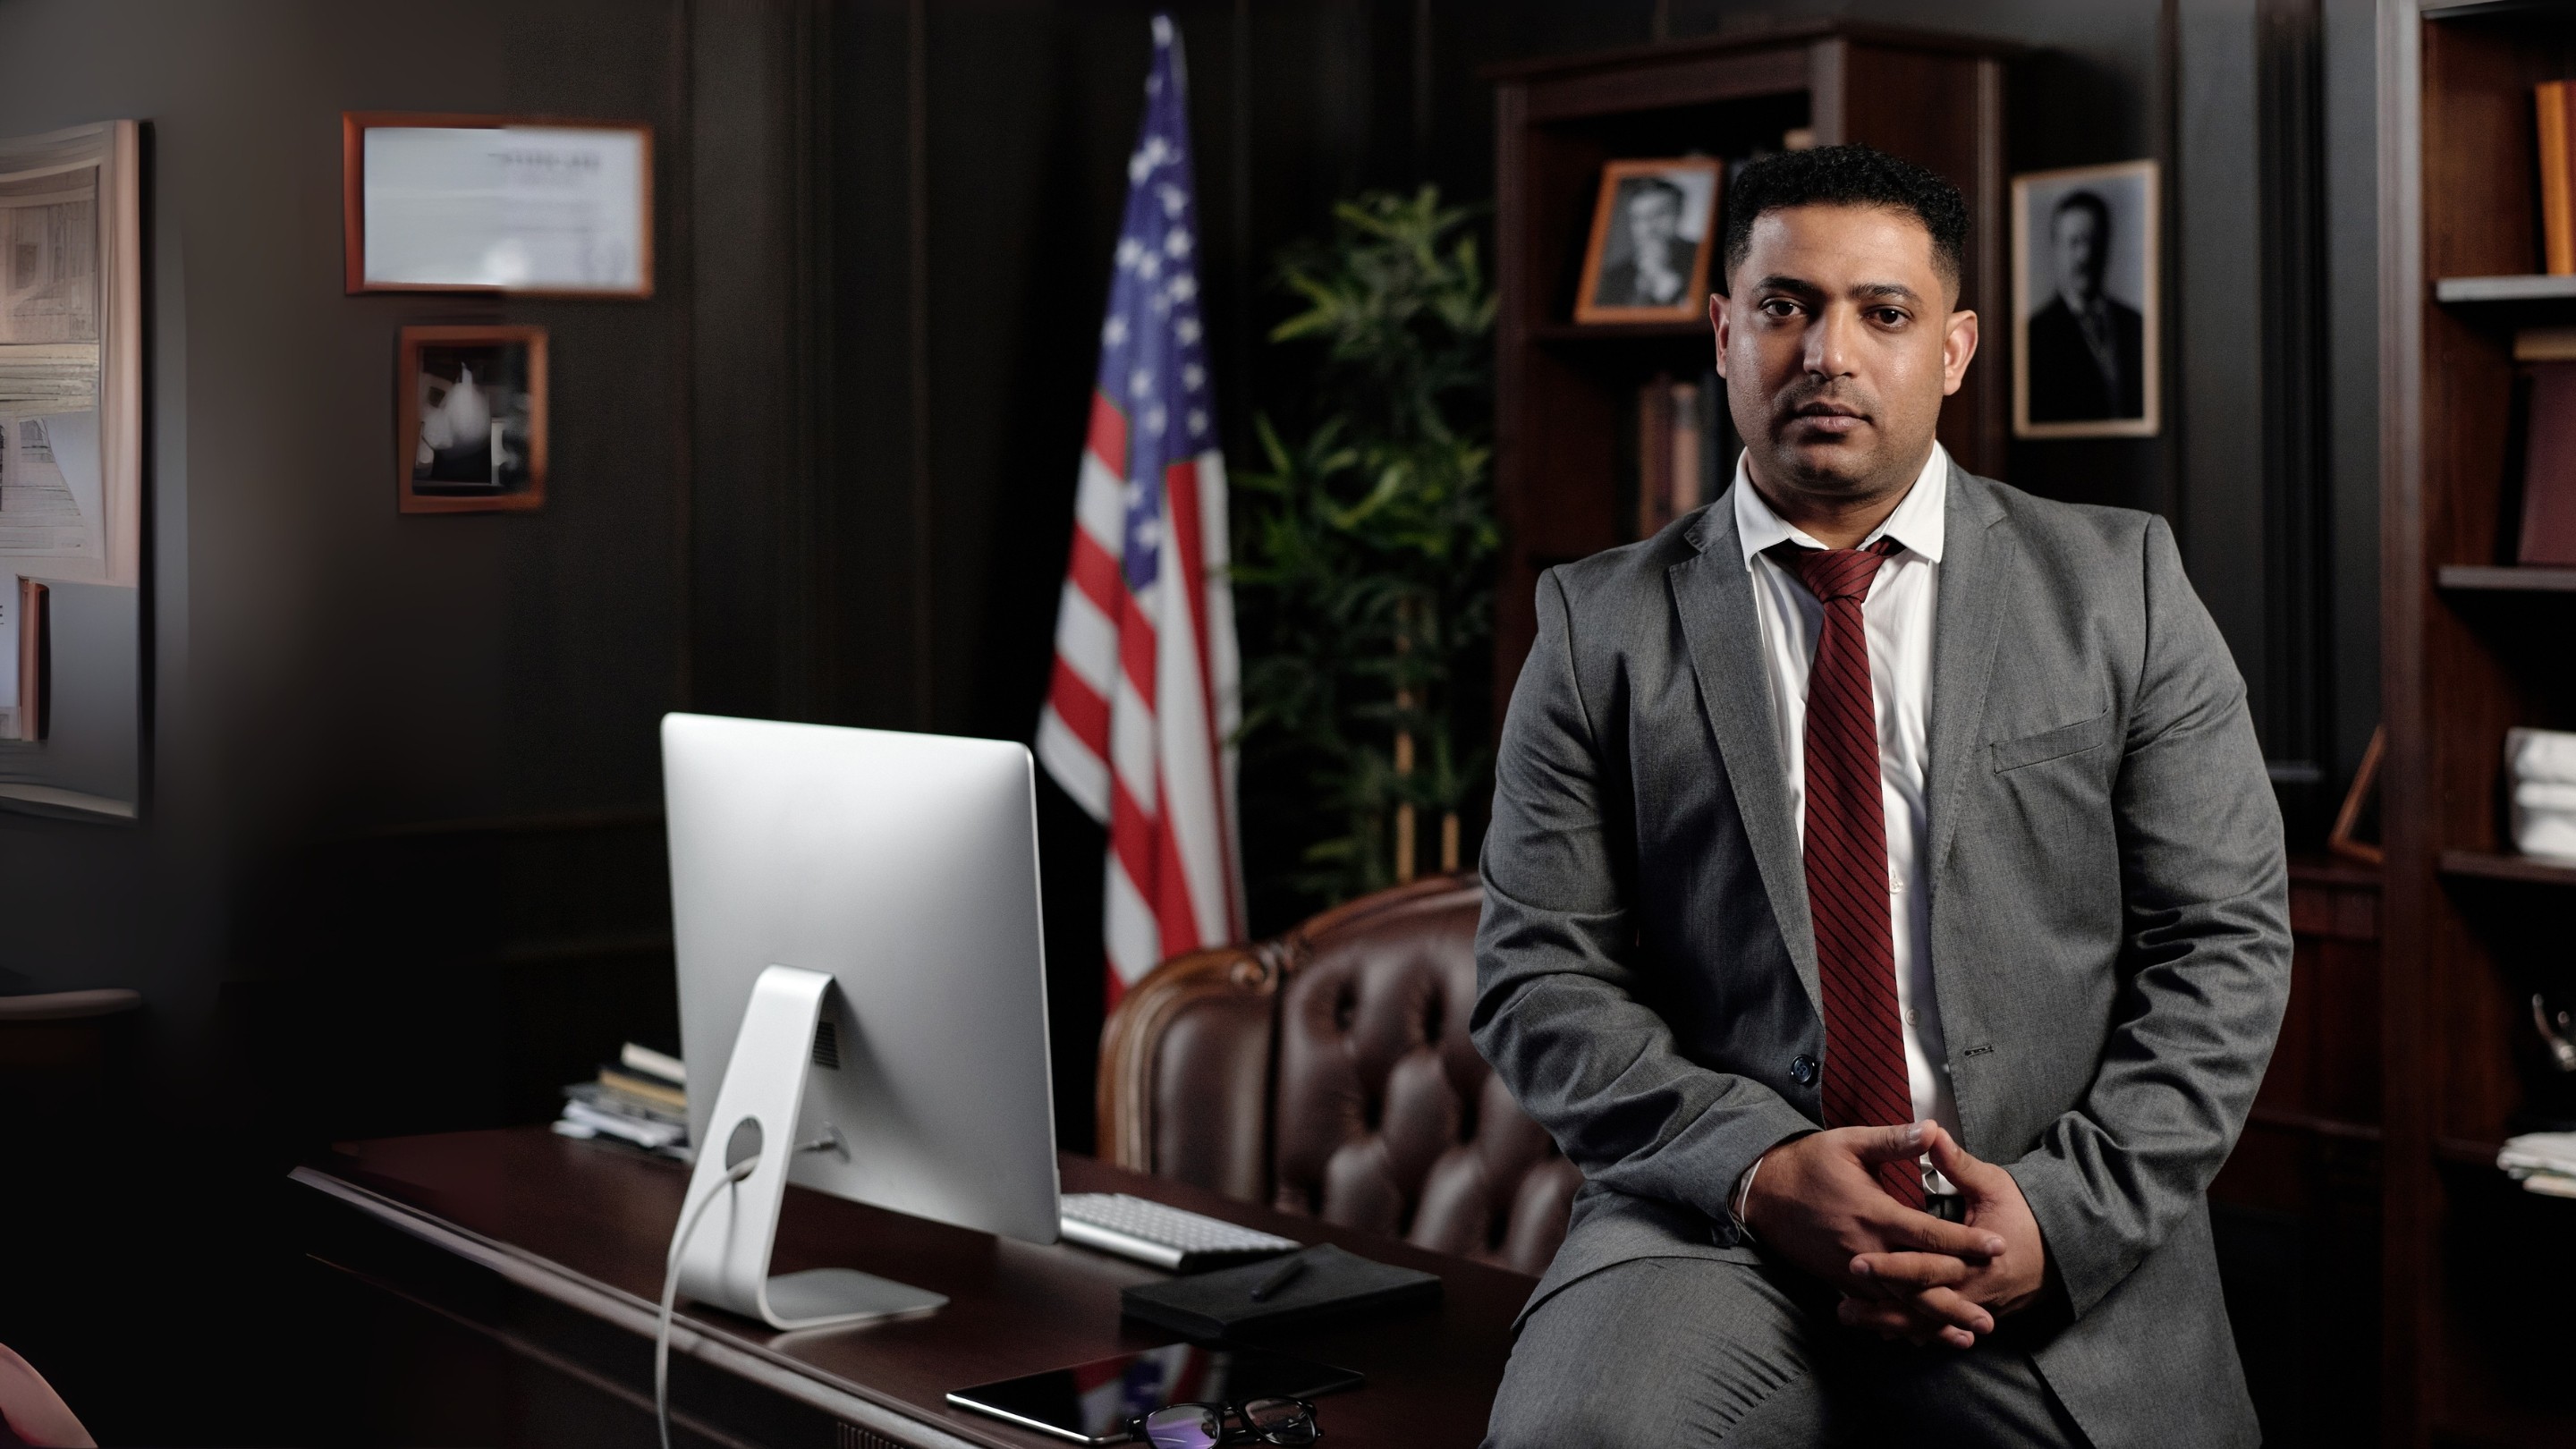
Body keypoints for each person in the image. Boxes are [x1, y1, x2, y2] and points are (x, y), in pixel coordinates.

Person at [1474, 143, 2285, 1447]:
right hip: (1714, 1226)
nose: (1827, 353)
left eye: (1883, 312)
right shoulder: (1597, 627)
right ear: (1725, 333)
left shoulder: (2122, 588)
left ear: (1955, 348)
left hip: (2034, 1221)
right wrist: (1759, 1170)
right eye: (1787, 307)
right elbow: (1536, 977)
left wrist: (2060, 1214)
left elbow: (2226, 950)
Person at [2024, 190, 2146, 422]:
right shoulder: (2035, 335)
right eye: (2074, 242)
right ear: (2056, 248)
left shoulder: (2136, 325)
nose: (2085, 255)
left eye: (2093, 241)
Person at [1594, 175, 1692, 309]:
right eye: (1639, 219)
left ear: (1680, 213)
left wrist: (1663, 279)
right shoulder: (1615, 275)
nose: (1648, 228)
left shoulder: (1703, 259)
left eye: (1659, 214)